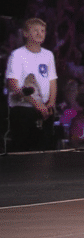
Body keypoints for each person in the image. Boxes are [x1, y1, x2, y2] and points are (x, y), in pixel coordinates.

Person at [6, 18, 58, 153]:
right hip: (23, 109)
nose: (40, 34)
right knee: (22, 151)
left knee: (44, 150)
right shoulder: (17, 55)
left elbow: (52, 81)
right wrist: (36, 104)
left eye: (42, 31)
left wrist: (51, 103)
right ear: (25, 33)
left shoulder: (48, 55)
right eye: (35, 30)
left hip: (45, 110)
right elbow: (12, 84)